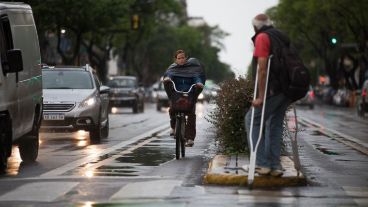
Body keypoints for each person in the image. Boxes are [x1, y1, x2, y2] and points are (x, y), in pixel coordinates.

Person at [245, 14, 291, 177]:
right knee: (274, 124)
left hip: (272, 90)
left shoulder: (262, 37)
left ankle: (262, 163)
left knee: (252, 120)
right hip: (286, 90)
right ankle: (275, 165)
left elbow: (262, 69)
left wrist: (261, 96)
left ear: (255, 26)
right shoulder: (280, 37)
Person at [163, 50, 205, 147]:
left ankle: (190, 138)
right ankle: (173, 127)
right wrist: (167, 78)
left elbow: (196, 77)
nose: (181, 60)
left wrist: (199, 82)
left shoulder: (192, 69)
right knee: (172, 108)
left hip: (189, 95)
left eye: (183, 58)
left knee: (191, 114)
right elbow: (169, 75)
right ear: (176, 59)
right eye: (179, 58)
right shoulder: (173, 69)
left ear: (186, 58)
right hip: (177, 94)